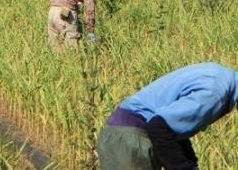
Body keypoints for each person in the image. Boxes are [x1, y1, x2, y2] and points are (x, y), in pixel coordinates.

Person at [97, 63, 237, 170]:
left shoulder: (220, 76)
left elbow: (174, 127)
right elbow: (158, 128)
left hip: (129, 136)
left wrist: (190, 163)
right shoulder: (215, 93)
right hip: (129, 140)